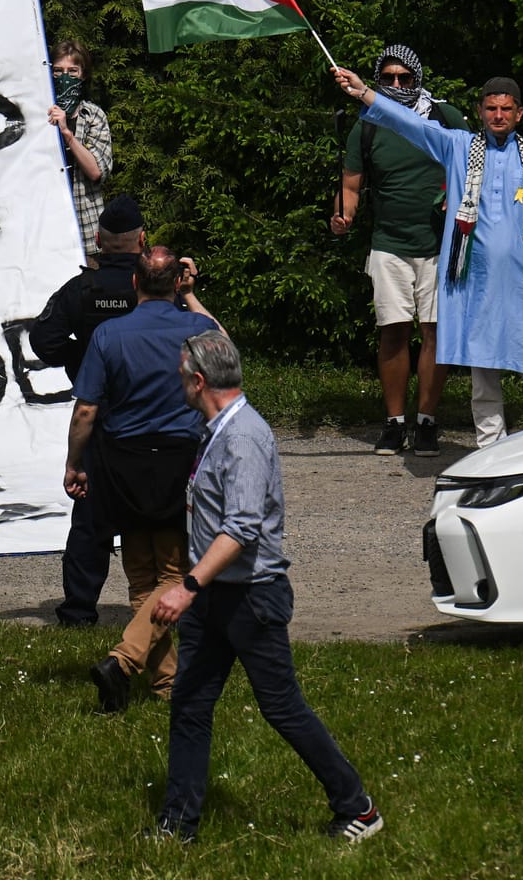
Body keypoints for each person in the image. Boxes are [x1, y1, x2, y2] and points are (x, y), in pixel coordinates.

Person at [147, 330, 382, 844]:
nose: (179, 385)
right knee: (189, 702)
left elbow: (242, 528)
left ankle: (358, 808)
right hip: (215, 597)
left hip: (249, 596)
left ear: (199, 381)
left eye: (183, 378)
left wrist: (186, 586)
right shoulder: (218, 426)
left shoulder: (243, 438)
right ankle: (178, 823)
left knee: (281, 707)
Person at [333, 67, 523, 447]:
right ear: (480, 111)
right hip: (478, 285)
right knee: (484, 377)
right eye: (491, 108)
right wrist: (365, 92)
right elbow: (408, 124)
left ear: (519, 114)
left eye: (506, 109)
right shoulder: (459, 147)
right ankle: (491, 454)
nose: (498, 116)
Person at [65, 248, 219, 711]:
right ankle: (128, 661)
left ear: (134, 283)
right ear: (176, 282)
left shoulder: (109, 333)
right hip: (178, 459)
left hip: (122, 462)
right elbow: (225, 349)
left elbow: (87, 410)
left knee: (140, 577)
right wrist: (192, 298)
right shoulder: (195, 328)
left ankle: (163, 684)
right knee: (172, 574)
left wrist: (74, 462)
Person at [329, 45, 469, 456]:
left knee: (435, 332)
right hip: (389, 243)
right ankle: (394, 424)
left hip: (440, 244)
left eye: (403, 78)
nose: (395, 85)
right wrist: (343, 215)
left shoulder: (444, 117)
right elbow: (350, 186)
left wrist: (455, 196)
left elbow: (473, 166)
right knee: (393, 330)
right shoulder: (368, 125)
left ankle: (426, 421)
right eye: (387, 78)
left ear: (417, 79)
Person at [30, 194, 146, 627]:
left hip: (99, 417)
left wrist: (82, 360)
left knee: (91, 520)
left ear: (97, 239)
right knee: (157, 517)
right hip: (152, 418)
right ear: (142, 241)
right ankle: (161, 607)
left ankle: (78, 611)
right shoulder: (153, 287)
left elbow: (43, 342)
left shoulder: (81, 290)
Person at [48, 40, 113, 258]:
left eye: (72, 71)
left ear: (83, 75)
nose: (65, 77)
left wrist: (67, 134)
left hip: (87, 236)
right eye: (58, 71)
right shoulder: (40, 115)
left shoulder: (93, 116)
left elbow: (96, 171)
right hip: (50, 234)